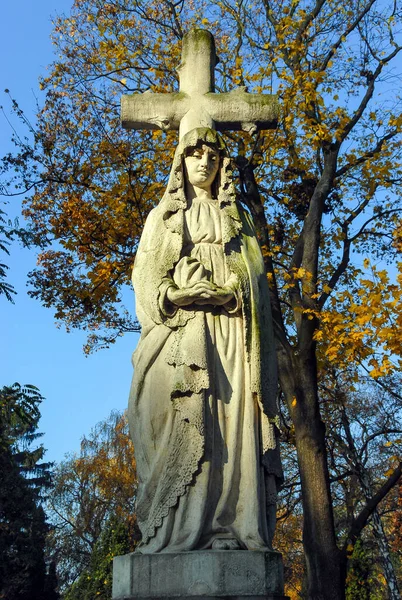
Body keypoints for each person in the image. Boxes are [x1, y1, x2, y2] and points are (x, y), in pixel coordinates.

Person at [128, 127, 282, 553]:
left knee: (234, 423)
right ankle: (180, 528)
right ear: (181, 163)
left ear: (222, 166)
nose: (204, 162)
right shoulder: (164, 217)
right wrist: (174, 294)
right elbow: (145, 279)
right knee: (186, 419)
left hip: (232, 330)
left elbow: (255, 278)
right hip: (185, 333)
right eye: (194, 154)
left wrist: (234, 293)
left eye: (212, 157)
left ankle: (229, 525)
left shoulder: (239, 218)